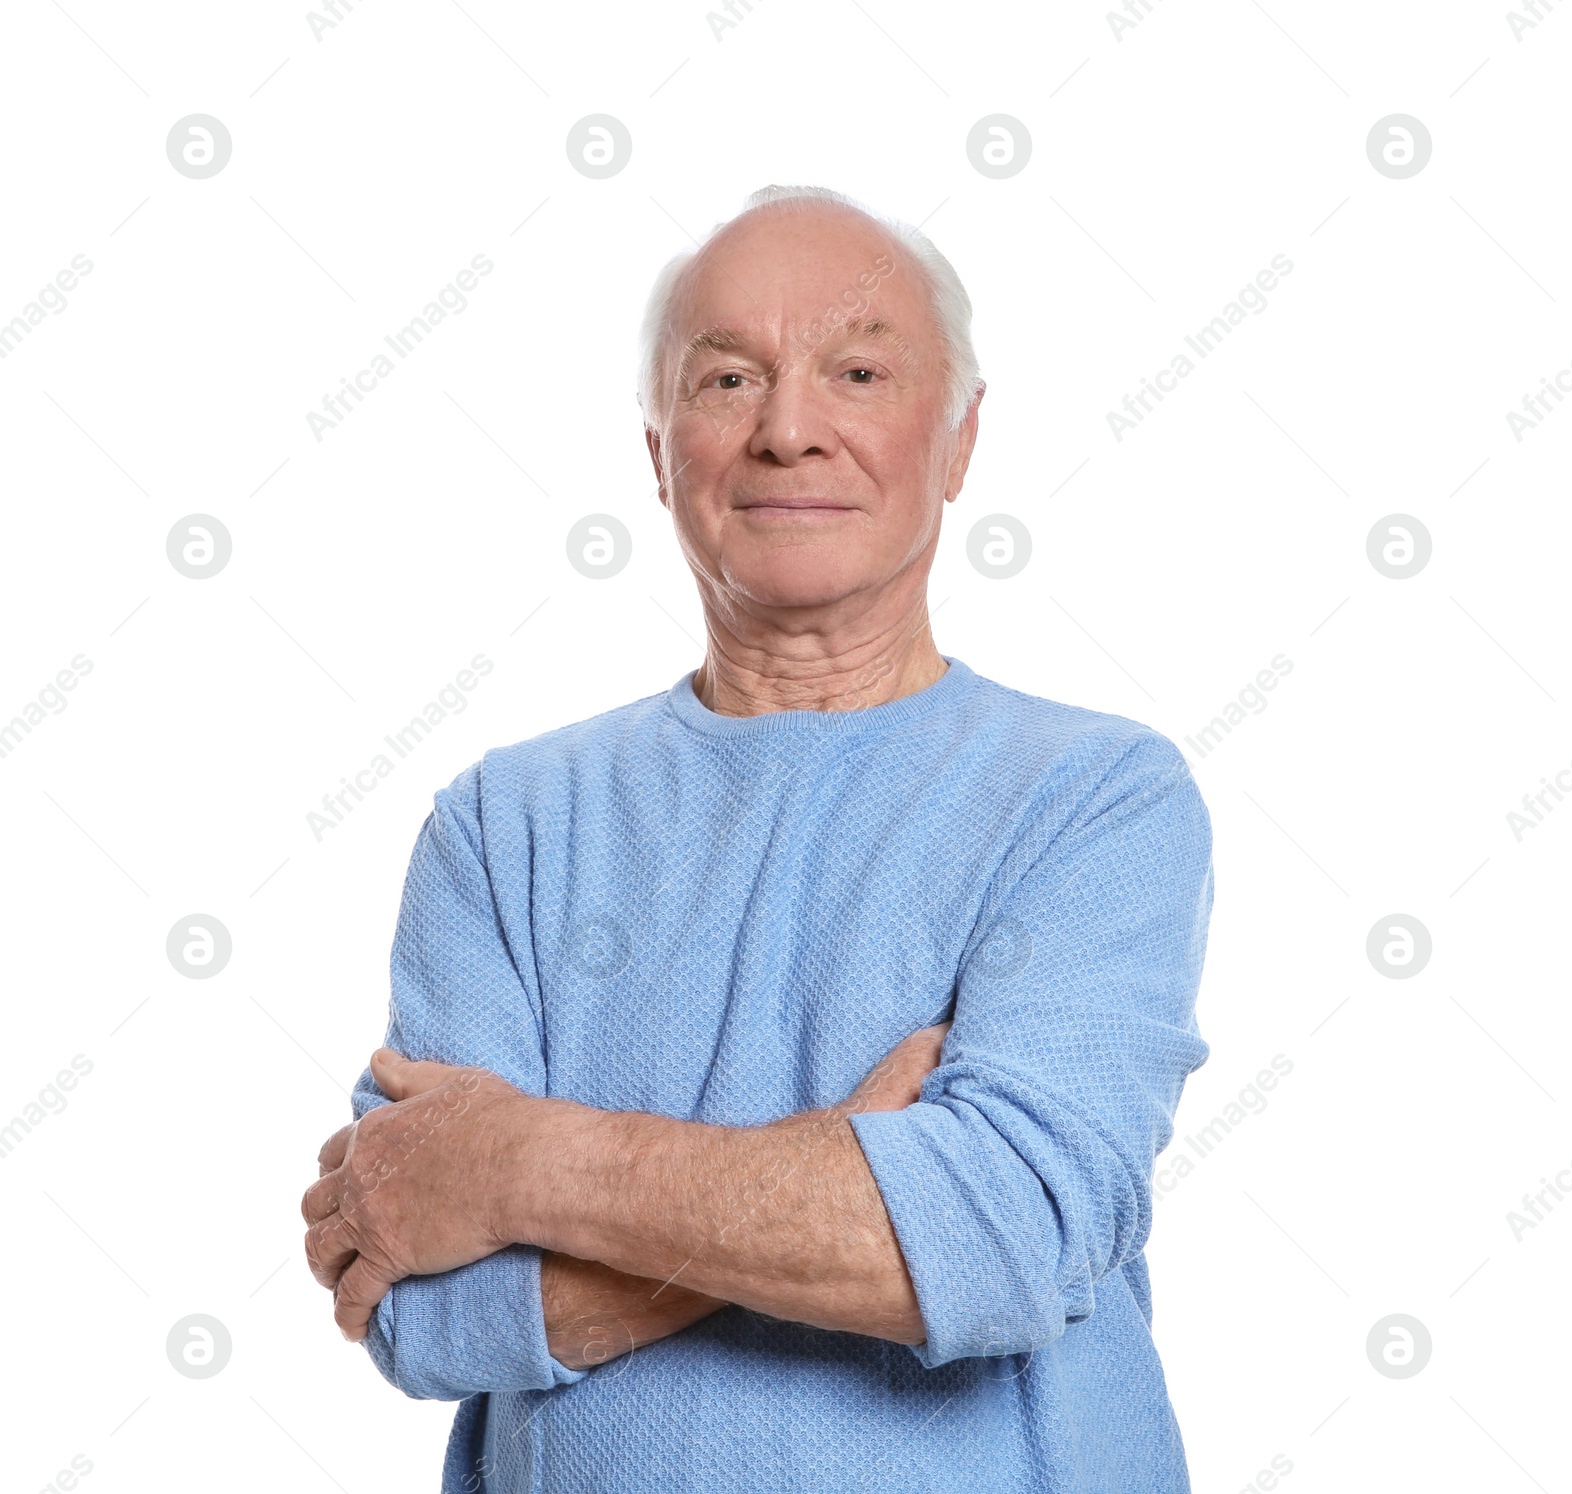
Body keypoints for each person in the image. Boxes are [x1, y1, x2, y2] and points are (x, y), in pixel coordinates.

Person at [301, 183, 1215, 1493]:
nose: (790, 430)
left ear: (958, 438)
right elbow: (415, 1302)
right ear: (660, 448)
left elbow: (1005, 1232)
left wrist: (517, 1160)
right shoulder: (503, 823)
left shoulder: (1093, 795)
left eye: (856, 370)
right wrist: (849, 1166)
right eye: (729, 379)